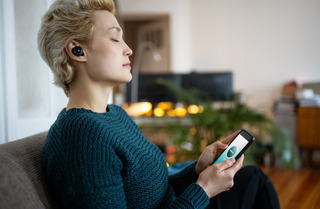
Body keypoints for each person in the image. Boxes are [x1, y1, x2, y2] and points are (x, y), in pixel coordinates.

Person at [38, 0, 280, 208]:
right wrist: (203, 190)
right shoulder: (82, 134)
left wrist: (197, 171)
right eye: (115, 38)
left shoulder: (115, 115)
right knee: (254, 182)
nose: (129, 49)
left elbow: (153, 191)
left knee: (252, 178)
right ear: (77, 50)